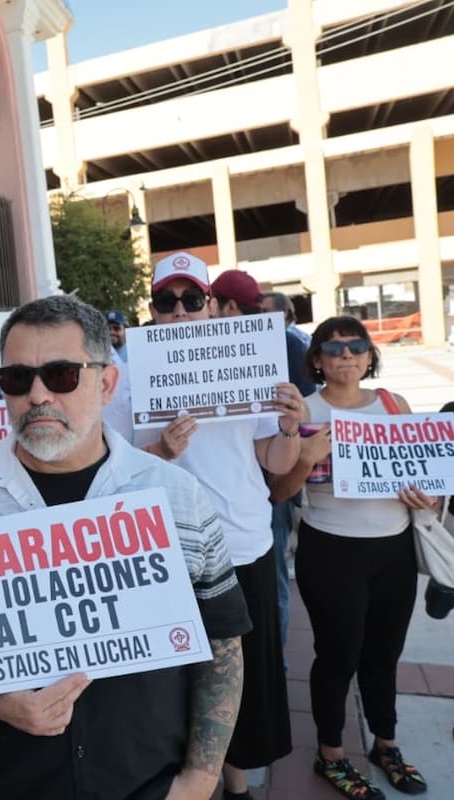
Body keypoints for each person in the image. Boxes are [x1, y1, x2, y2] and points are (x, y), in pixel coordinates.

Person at [0, 294, 251, 800]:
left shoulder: (175, 497)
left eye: (60, 375)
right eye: (17, 379)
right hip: (6, 783)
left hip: (148, 783)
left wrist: (199, 779)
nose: (37, 396)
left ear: (105, 383)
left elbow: (222, 642)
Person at [137, 261, 302, 800]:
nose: (181, 310)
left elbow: (275, 461)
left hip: (244, 546)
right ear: (153, 309)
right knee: (172, 685)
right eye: (168, 300)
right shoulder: (126, 375)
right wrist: (160, 450)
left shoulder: (247, 363)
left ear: (213, 304)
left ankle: (235, 785)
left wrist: (288, 425)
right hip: (162, 554)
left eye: (192, 298)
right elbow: (105, 467)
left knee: (240, 684)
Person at [269, 316, 433, 799]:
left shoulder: (393, 405)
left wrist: (424, 495)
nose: (346, 354)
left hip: (394, 548)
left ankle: (386, 743)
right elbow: (279, 494)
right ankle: (331, 753)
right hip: (331, 549)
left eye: (356, 345)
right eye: (333, 348)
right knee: (339, 656)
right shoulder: (306, 412)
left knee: (384, 654)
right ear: (316, 359)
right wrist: (303, 457)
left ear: (369, 354)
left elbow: (423, 475)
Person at [250, 287, 317, 651]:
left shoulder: (288, 344)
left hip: (271, 485)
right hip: (265, 486)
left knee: (273, 582)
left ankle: (277, 657)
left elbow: (298, 418)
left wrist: (292, 426)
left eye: (259, 311)